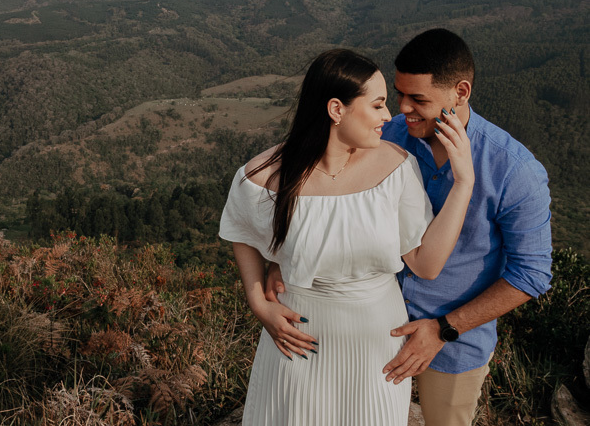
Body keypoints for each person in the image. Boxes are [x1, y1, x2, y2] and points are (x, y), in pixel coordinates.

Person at [265, 29, 553, 426]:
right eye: (398, 94)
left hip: (454, 345)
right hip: (372, 330)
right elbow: (333, 200)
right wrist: (287, 255)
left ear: (461, 92)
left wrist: (444, 329)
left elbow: (531, 275)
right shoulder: (386, 137)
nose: (402, 109)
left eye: (418, 99)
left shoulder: (514, 171)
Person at [220, 48, 475, 425]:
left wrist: (463, 183)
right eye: (377, 105)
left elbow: (426, 264)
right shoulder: (262, 177)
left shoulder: (397, 167)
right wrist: (258, 302)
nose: (389, 116)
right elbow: (239, 230)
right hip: (297, 339)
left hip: (377, 343)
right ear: (336, 110)